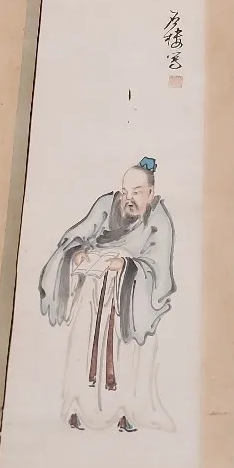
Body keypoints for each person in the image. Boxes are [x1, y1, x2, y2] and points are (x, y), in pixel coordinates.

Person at [39, 157, 176, 432]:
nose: (128, 199)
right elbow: (75, 236)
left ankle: (127, 413)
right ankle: (78, 409)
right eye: (125, 192)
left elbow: (158, 268)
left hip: (129, 303)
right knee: (82, 348)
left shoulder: (159, 220)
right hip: (92, 295)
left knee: (126, 359)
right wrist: (76, 254)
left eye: (136, 192)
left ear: (150, 192)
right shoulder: (106, 205)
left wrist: (126, 266)